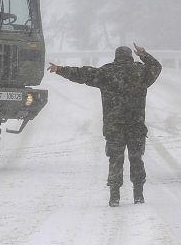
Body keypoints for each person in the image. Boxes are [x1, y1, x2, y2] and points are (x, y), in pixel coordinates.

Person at [47, 44, 162, 207]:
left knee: (115, 160)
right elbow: (156, 66)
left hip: (114, 127)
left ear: (116, 57)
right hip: (136, 125)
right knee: (136, 159)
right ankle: (138, 195)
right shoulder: (141, 72)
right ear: (130, 56)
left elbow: (82, 74)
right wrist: (143, 54)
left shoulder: (106, 72)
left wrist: (59, 69)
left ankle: (114, 196)